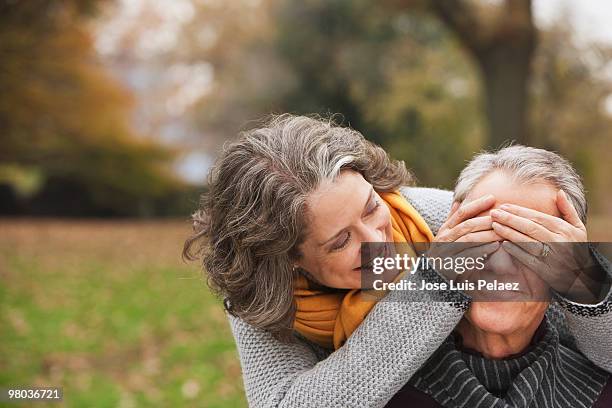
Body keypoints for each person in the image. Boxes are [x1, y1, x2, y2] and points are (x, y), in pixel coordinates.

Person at [183, 114, 612, 407]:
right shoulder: (260, 295)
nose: (378, 243)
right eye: (339, 242)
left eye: (371, 207)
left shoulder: (443, 218)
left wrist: (584, 278)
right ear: (289, 262)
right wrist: (433, 282)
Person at [386, 145, 612, 407]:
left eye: (529, 246)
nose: (500, 266)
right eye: (483, 237)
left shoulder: (602, 394)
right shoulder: (383, 390)